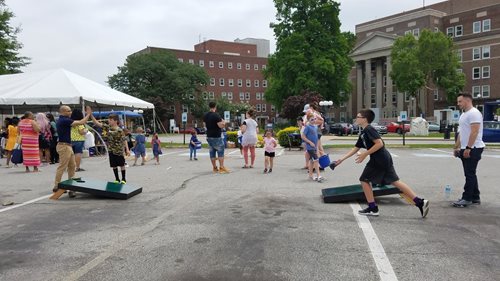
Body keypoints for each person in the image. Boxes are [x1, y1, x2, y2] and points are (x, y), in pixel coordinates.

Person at [335, 109, 429, 217]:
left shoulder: (369, 129)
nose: (356, 119)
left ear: (364, 119)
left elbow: (379, 143)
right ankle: (420, 202)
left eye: (358, 117)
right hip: (382, 159)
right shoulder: (363, 132)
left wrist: (365, 154)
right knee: (395, 182)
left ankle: (373, 208)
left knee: (364, 179)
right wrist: (341, 159)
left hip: (379, 159)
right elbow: (356, 148)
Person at [452, 93, 485, 208]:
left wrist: (468, 148)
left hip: (474, 148)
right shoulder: (464, 115)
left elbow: (474, 132)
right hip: (465, 148)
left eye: (460, 101)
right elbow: (461, 132)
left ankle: (467, 198)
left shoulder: (474, 113)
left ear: (467, 100)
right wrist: (457, 147)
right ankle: (475, 197)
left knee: (469, 174)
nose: (458, 104)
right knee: (470, 173)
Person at [53, 106, 91, 197]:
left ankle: (71, 187)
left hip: (67, 146)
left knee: (72, 166)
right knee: (62, 166)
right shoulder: (64, 120)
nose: (70, 112)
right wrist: (88, 114)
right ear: (63, 112)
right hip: (64, 146)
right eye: (68, 111)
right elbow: (81, 122)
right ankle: (57, 185)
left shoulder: (64, 120)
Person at [89, 112, 130, 183]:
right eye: (109, 120)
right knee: (114, 165)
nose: (109, 121)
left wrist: (127, 149)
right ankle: (117, 179)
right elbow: (97, 123)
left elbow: (124, 140)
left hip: (119, 150)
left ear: (115, 121)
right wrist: (91, 115)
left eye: (110, 120)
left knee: (122, 164)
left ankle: (123, 179)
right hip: (111, 150)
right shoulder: (108, 128)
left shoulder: (120, 130)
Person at [203, 102, 229, 174]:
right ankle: (221, 167)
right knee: (220, 152)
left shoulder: (205, 115)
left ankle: (214, 167)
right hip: (216, 136)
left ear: (209, 106)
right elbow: (220, 126)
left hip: (209, 136)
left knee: (212, 152)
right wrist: (224, 123)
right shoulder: (216, 115)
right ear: (215, 107)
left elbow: (204, 125)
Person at [301, 113, 323, 182]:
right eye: (312, 119)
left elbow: (315, 137)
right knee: (316, 160)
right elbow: (303, 136)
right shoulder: (307, 127)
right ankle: (318, 175)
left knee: (311, 161)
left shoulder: (315, 127)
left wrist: (316, 147)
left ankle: (310, 175)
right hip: (310, 147)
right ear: (308, 120)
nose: (313, 120)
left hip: (314, 147)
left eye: (314, 119)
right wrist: (309, 142)